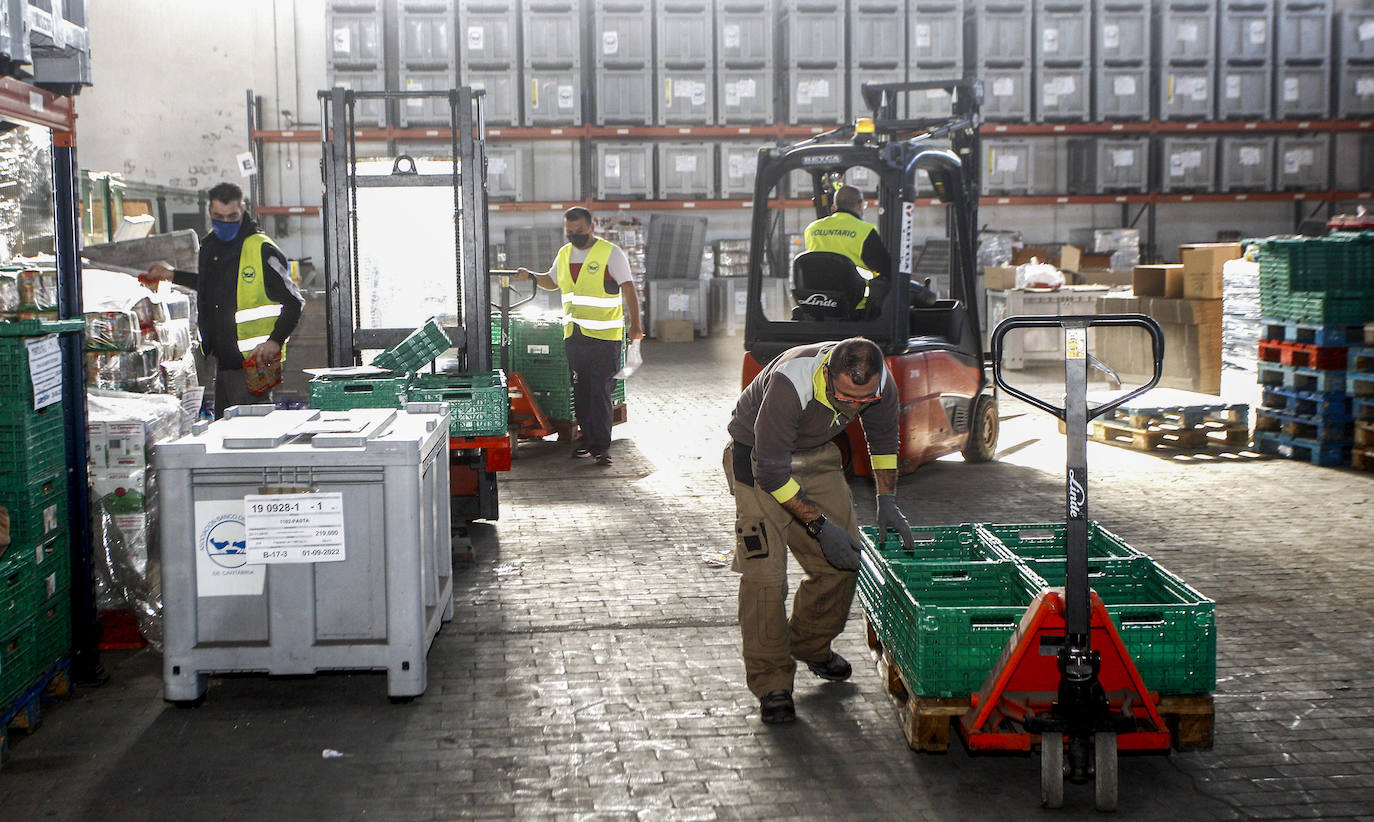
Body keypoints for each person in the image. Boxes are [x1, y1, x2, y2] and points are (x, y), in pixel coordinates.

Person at [723, 337, 915, 724]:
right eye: (844, 398)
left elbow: (881, 440)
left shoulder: (879, 383)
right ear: (827, 373)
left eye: (863, 400)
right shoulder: (790, 381)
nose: (853, 407)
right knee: (765, 578)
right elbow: (773, 474)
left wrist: (887, 500)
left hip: (818, 457)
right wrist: (819, 525)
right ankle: (772, 683)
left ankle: (808, 644)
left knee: (844, 562)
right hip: (758, 462)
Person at [145, 183, 304, 418]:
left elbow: (294, 301)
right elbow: (211, 285)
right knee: (225, 438)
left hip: (252, 366)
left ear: (243, 209)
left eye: (232, 217)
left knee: (251, 440)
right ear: (209, 211)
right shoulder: (210, 246)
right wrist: (173, 275)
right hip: (224, 363)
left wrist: (275, 341)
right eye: (219, 217)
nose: (226, 223)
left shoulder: (262, 250)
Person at [515, 206, 644, 466]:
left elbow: (629, 290)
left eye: (580, 231)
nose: (574, 235)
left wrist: (635, 327)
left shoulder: (610, 254)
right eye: (570, 232)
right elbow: (552, 281)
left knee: (600, 391)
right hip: (575, 337)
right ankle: (587, 442)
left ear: (592, 227)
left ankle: (600, 447)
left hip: (604, 338)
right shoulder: (564, 254)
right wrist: (531, 276)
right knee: (582, 392)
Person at [803, 184, 892, 282]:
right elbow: (885, 269)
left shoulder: (812, 229)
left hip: (818, 294)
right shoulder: (865, 231)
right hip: (855, 295)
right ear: (859, 204)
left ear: (834, 206)